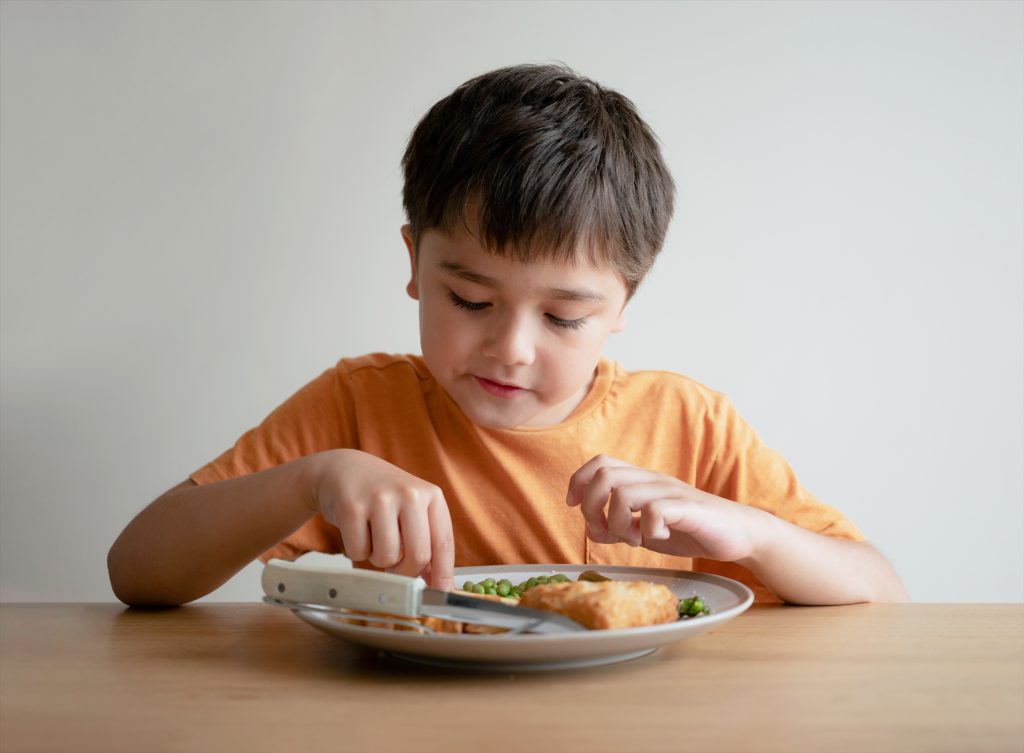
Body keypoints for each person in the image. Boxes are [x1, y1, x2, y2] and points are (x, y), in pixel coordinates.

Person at [107, 63, 907, 607]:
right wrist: (306, 480)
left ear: (625, 301)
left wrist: (753, 533)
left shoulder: (687, 424)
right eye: (469, 297)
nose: (513, 348)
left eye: (563, 316)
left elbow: (881, 588)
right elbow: (137, 571)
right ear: (416, 262)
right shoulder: (359, 406)